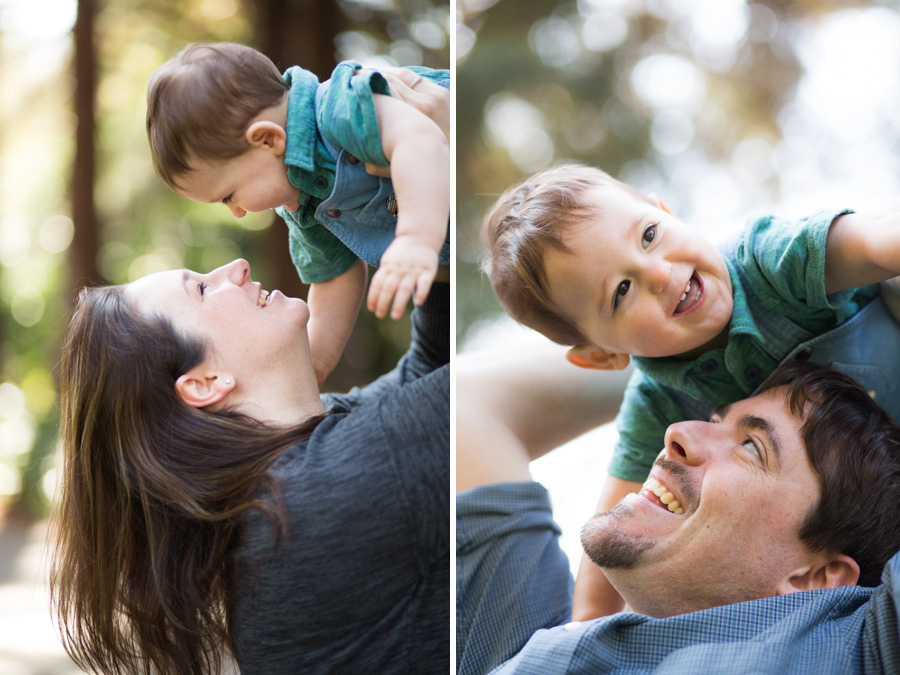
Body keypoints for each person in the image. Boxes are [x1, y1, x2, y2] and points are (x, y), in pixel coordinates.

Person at [481, 163, 900, 618]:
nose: (659, 273)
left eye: (648, 236)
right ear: (602, 355)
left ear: (662, 209)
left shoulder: (768, 260)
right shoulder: (656, 404)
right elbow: (615, 534)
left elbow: (878, 239)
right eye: (622, 290)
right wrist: (584, 631)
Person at [49, 256, 449, 675]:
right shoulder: (313, 496)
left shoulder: (282, 475)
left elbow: (431, 366)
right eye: (202, 289)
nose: (237, 266)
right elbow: (462, 393)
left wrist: (419, 238)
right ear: (204, 383)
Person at [457, 346, 900, 674]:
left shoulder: (858, 651)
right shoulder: (530, 640)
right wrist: (667, 332)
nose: (677, 431)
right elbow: (467, 403)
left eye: (751, 447)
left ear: (816, 579)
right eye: (712, 417)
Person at [146, 42, 451, 385]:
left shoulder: (341, 106)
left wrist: (416, 239)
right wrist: (315, 363)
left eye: (229, 196)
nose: (238, 212)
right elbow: (334, 276)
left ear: (266, 139)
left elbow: (419, 139)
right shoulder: (300, 205)